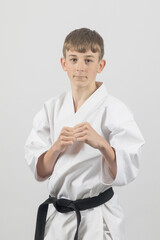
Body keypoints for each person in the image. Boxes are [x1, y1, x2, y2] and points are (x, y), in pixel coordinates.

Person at [24, 27, 145, 240]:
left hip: (97, 218)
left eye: (88, 60)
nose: (80, 67)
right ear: (64, 64)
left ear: (101, 65)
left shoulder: (115, 109)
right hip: (60, 218)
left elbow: (127, 168)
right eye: (73, 59)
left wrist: (102, 145)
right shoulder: (51, 108)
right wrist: (56, 148)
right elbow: (40, 171)